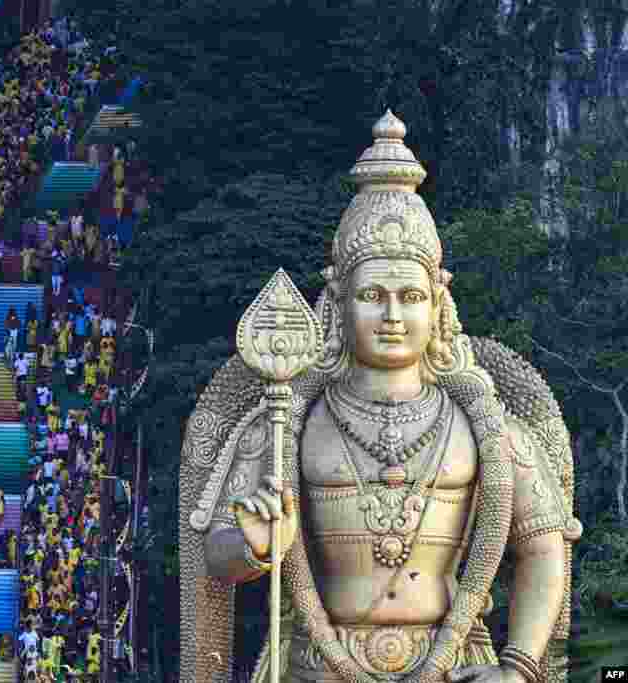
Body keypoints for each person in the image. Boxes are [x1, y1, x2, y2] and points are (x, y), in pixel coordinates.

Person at [178, 111, 580, 683]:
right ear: (339, 301)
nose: (393, 315)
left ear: (437, 303)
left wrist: (517, 667)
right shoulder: (284, 421)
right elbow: (215, 555)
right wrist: (254, 547)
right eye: (373, 294)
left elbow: (542, 548)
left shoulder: (486, 426)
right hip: (319, 664)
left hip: (456, 663)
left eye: (410, 295)